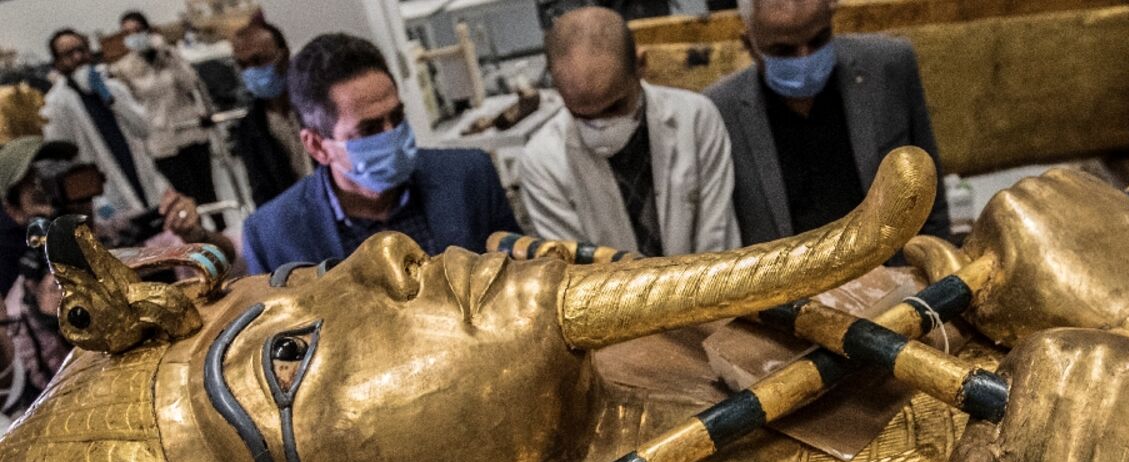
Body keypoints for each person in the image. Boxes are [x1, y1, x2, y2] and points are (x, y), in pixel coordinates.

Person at [241, 33, 520, 275]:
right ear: (317, 146)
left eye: (397, 117)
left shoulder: (469, 176)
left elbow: (520, 285)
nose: (392, 134)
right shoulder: (272, 237)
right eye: (369, 129)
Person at [0, 135, 234, 413]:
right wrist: (58, 324)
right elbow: (57, 401)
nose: (71, 202)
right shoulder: (23, 309)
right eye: (40, 193)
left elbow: (225, 265)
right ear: (13, 210)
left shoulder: (134, 234)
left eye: (74, 183)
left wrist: (197, 235)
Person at [705, 0, 949, 249]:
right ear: (750, 45)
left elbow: (930, 197)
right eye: (783, 50)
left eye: (818, 40)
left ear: (831, 19)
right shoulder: (720, 112)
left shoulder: (889, 67)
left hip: (894, 273)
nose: (805, 57)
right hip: (790, 284)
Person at [520, 7, 739, 256]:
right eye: (581, 114)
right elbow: (579, 273)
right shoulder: (541, 162)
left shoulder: (696, 118)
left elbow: (718, 244)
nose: (600, 126)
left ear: (640, 65)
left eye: (614, 107)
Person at [41, 28, 170, 220]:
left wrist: (109, 98)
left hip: (144, 184)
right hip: (105, 199)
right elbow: (61, 163)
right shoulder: (55, 105)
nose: (78, 57)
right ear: (58, 63)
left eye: (81, 50)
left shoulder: (113, 88)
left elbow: (143, 129)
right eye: (69, 54)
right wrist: (97, 202)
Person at [112, 11, 223, 229]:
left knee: (208, 192)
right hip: (162, 141)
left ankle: (225, 233)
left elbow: (191, 83)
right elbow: (130, 108)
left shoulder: (170, 55)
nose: (134, 36)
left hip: (190, 131)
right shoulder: (123, 69)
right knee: (187, 198)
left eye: (137, 31)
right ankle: (201, 239)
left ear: (148, 30)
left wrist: (165, 54)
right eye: (128, 33)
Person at [231, 19, 311, 207]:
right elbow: (262, 194)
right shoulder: (250, 129)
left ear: (283, 56)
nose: (251, 71)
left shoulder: (318, 105)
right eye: (243, 65)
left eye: (259, 61)